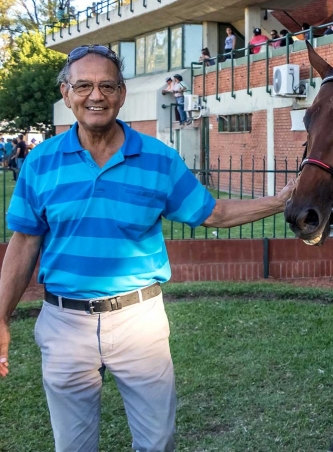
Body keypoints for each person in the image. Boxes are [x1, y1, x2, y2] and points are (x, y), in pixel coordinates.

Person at [0, 45, 295, 452]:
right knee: (72, 446)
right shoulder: (40, 163)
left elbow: (214, 213)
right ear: (67, 95)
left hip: (138, 320)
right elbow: (24, 242)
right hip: (64, 322)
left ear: (122, 94)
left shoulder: (159, 159)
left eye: (106, 85)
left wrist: (280, 201)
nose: (95, 95)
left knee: (157, 442)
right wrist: (0, 317)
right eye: (83, 85)